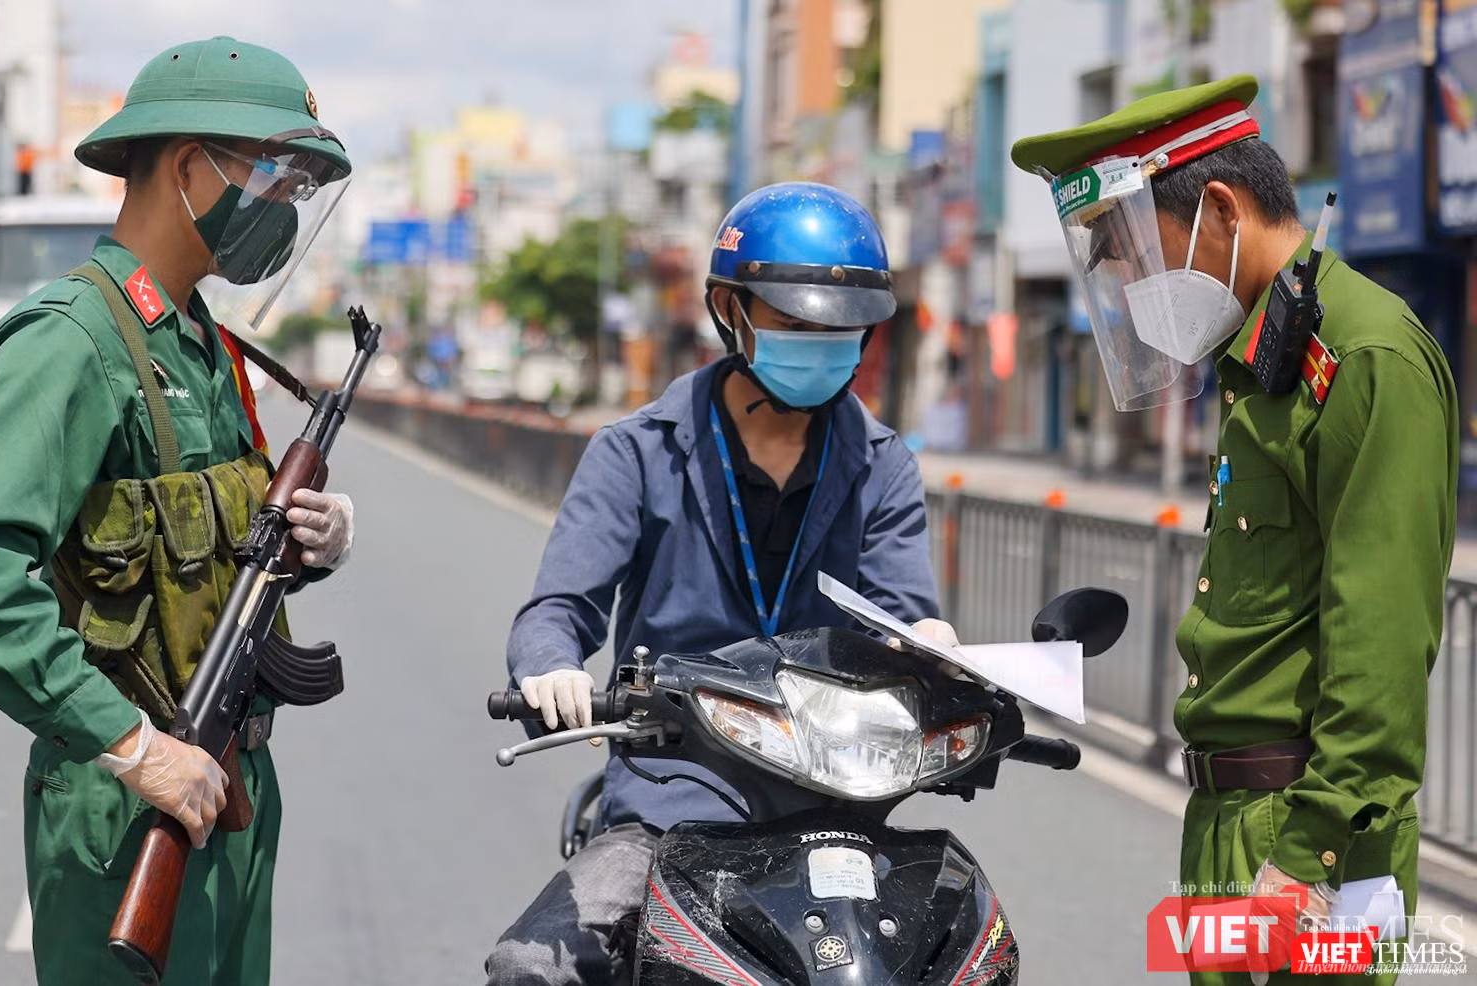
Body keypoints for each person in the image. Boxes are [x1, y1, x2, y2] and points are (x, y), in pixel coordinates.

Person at [0, 36, 356, 985]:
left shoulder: (201, 341)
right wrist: (130, 745)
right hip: (133, 798)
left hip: (231, 782)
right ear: (190, 168)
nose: (284, 206)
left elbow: (208, 547)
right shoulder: (71, 342)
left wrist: (314, 541)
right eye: (276, 177)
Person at [1012, 75, 1457, 984]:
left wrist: (1314, 854)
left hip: (1306, 834)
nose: (1135, 286)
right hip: (1227, 825)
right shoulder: (1260, 356)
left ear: (1220, 208)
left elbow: (1380, 636)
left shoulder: (1365, 356)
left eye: (1137, 254)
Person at [484, 181, 955, 985]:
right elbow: (558, 611)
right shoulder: (635, 452)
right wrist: (548, 668)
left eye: (842, 328)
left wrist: (934, 648)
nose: (822, 341)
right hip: (674, 802)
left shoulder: (883, 465)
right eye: (796, 321)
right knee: (532, 970)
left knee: (972, 950)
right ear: (729, 309)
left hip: (842, 812)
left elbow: (905, 620)